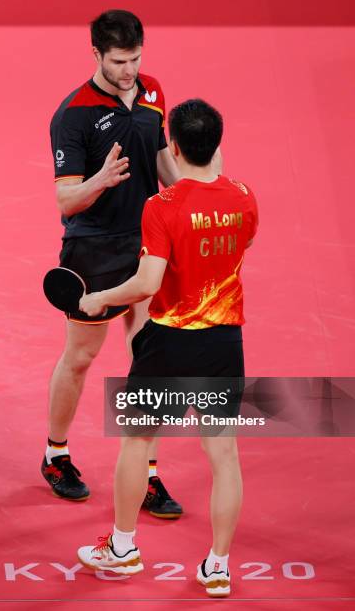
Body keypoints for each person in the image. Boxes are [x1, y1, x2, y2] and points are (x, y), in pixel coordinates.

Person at [77, 98, 258, 598]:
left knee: (137, 442)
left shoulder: (162, 206)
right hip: (225, 341)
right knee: (224, 454)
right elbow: (238, 246)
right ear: (216, 145)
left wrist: (100, 300)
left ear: (172, 147)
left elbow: (145, 283)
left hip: (168, 342)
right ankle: (218, 566)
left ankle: (122, 548)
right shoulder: (244, 197)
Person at [42, 10, 183, 518]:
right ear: (96, 55)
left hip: (148, 242)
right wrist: (99, 180)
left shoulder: (152, 92)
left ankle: (144, 472)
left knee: (149, 360)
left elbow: (162, 159)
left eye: (137, 58)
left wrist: (190, 197)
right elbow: (66, 201)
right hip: (95, 249)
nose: (130, 70)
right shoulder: (73, 115)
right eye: (120, 61)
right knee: (81, 358)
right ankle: (56, 453)